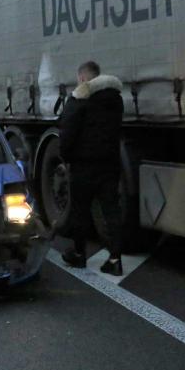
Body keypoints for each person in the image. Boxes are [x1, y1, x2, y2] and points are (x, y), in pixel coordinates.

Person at [56, 61, 124, 276]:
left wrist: (65, 158)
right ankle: (115, 259)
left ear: (83, 78)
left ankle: (79, 255)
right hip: (110, 163)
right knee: (111, 210)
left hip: (83, 165)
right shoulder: (116, 99)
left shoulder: (78, 101)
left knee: (80, 211)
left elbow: (66, 132)